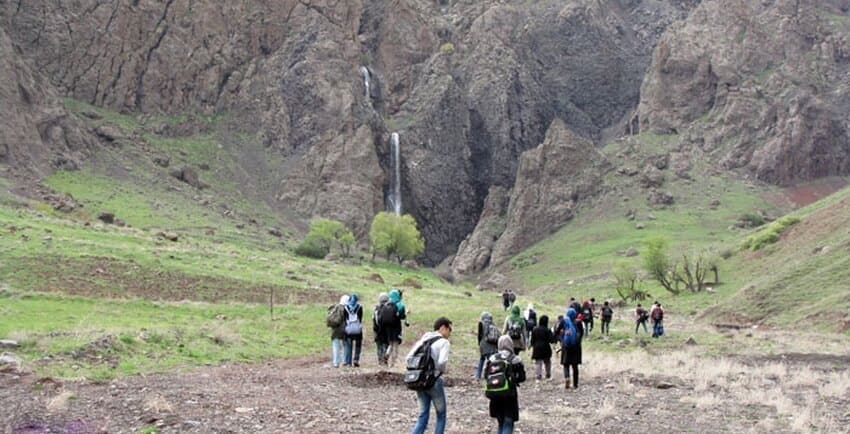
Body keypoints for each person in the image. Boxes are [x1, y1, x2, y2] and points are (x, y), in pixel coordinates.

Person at [409, 317, 453, 434]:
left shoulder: (423, 340)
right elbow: (442, 361)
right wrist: (440, 372)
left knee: (423, 414)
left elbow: (408, 358)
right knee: (441, 414)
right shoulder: (444, 342)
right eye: (449, 329)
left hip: (419, 380)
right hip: (434, 380)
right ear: (443, 327)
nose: (450, 333)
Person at [485, 335, 526, 434]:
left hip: (495, 394)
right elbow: (522, 377)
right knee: (508, 422)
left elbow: (486, 375)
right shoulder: (515, 359)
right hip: (509, 395)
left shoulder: (492, 358)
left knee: (500, 422)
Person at [555, 307, 583, 389]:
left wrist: (561, 339)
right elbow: (581, 334)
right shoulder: (579, 322)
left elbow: (556, 332)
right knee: (575, 366)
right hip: (576, 347)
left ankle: (567, 377)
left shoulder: (564, 321)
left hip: (566, 346)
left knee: (566, 364)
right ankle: (575, 384)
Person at [385, 288, 407, 367]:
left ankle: (387, 354)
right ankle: (393, 363)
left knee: (390, 343)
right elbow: (402, 316)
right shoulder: (400, 305)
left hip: (388, 328)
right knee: (396, 345)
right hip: (396, 328)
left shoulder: (387, 304)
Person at [529, 315, 555, 380]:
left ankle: (538, 375)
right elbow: (551, 340)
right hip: (546, 347)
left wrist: (531, 345)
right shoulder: (547, 330)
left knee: (538, 362)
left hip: (537, 348)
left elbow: (532, 339)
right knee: (547, 361)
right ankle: (548, 373)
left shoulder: (535, 329)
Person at [476, 312, 499, 379]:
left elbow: (479, 336)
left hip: (483, 345)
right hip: (492, 346)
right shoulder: (493, 324)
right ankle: (492, 374)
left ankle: (478, 375)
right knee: (491, 361)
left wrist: (479, 344)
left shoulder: (481, 324)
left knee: (481, 359)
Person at [327, 295, 348, 368]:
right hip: (344, 330)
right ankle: (345, 361)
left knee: (336, 346)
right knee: (346, 345)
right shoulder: (346, 309)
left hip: (335, 330)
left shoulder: (335, 308)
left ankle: (336, 363)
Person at [343, 293, 363, 367]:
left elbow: (345, 318)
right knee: (358, 345)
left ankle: (348, 361)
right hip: (357, 329)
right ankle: (356, 359)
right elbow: (360, 318)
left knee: (349, 345)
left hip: (348, 329)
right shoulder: (359, 307)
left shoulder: (346, 308)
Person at [373, 293, 390, 365]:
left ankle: (380, 360)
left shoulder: (376, 309)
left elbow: (374, 320)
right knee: (386, 346)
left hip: (378, 330)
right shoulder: (389, 308)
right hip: (387, 331)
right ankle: (385, 360)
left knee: (379, 346)